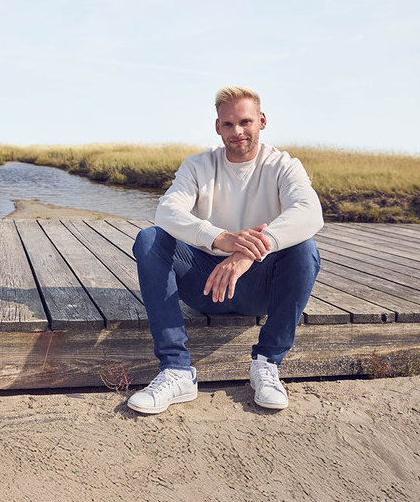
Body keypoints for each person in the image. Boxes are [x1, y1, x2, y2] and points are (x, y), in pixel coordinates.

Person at [126, 86, 323, 414]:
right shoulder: (197, 166)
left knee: (305, 249)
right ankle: (176, 370)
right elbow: (167, 211)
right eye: (228, 124)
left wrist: (246, 254)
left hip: (260, 288)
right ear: (218, 126)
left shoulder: (283, 165)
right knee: (149, 239)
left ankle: (267, 363)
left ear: (262, 121)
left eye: (245, 122)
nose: (237, 131)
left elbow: (310, 213)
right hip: (205, 284)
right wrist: (219, 238)